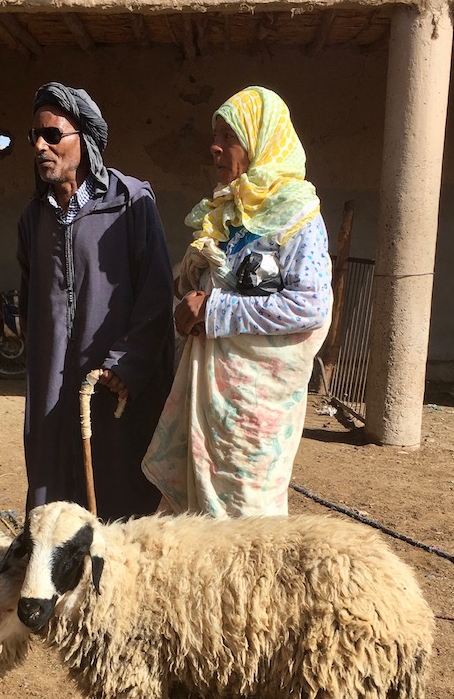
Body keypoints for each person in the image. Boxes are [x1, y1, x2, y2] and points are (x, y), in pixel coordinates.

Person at [142, 85, 332, 519]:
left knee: (248, 521)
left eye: (229, 137)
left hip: (254, 410)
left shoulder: (299, 216)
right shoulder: (228, 211)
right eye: (216, 135)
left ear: (261, 140)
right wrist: (187, 289)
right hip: (208, 399)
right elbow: (208, 283)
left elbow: (310, 305)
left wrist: (213, 310)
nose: (215, 147)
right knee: (194, 519)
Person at [17, 82, 174, 522]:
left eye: (53, 135)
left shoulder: (130, 202)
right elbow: (31, 302)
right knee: (53, 483)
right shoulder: (34, 218)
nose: (41, 146)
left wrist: (128, 362)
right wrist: (44, 360)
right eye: (35, 137)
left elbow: (157, 292)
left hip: (115, 376)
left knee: (117, 487)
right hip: (53, 380)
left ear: (84, 140)